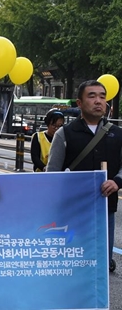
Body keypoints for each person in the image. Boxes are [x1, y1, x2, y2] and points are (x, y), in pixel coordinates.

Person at [46, 80, 122, 272]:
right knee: (71, 262)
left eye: (102, 97)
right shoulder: (65, 134)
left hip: (105, 210)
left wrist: (117, 182)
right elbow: (52, 174)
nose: (98, 101)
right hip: (71, 211)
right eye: (92, 96)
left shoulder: (117, 134)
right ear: (79, 103)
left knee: (100, 263)